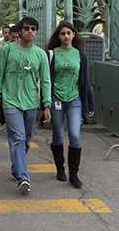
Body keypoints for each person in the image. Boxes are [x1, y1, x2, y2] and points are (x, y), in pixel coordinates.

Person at [0, 17, 52, 194]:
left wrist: (47, 105)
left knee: (26, 139)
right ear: (20, 31)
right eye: (26, 28)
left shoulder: (40, 54)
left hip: (31, 102)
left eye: (33, 28)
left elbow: (46, 81)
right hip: (11, 102)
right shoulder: (7, 49)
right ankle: (23, 177)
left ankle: (16, 168)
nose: (30, 31)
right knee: (17, 138)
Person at [45, 22, 95, 188]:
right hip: (56, 100)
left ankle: (74, 174)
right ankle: (60, 168)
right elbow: (46, 80)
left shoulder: (80, 55)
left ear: (74, 35)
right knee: (58, 135)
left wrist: (90, 104)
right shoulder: (51, 54)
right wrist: (46, 102)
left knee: (74, 135)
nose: (66, 36)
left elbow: (85, 81)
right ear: (58, 36)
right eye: (63, 34)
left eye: (69, 33)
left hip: (75, 100)